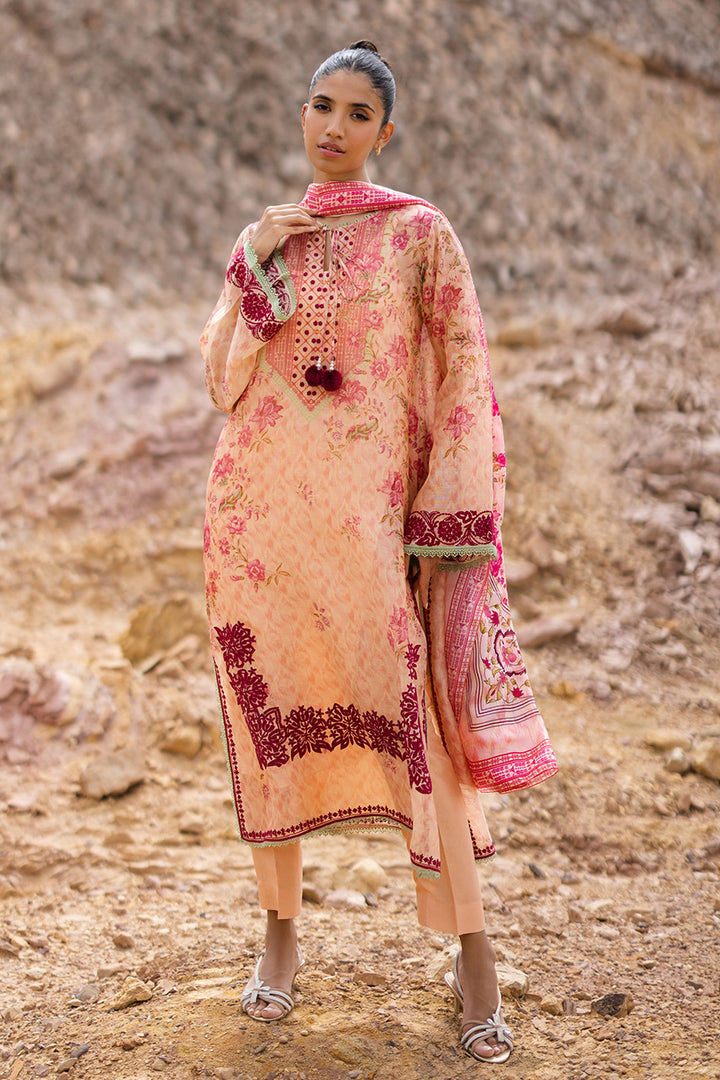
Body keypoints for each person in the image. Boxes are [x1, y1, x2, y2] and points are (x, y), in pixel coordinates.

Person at [201, 41, 557, 1064]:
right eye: (322, 106)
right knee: (268, 726)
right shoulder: (272, 235)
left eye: (358, 113)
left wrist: (446, 518)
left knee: (422, 733)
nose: (335, 127)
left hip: (376, 528)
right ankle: (279, 938)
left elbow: (461, 373)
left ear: (385, 132)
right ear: (300, 115)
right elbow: (223, 379)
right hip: (263, 528)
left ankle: (474, 958)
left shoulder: (420, 234)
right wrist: (258, 260)